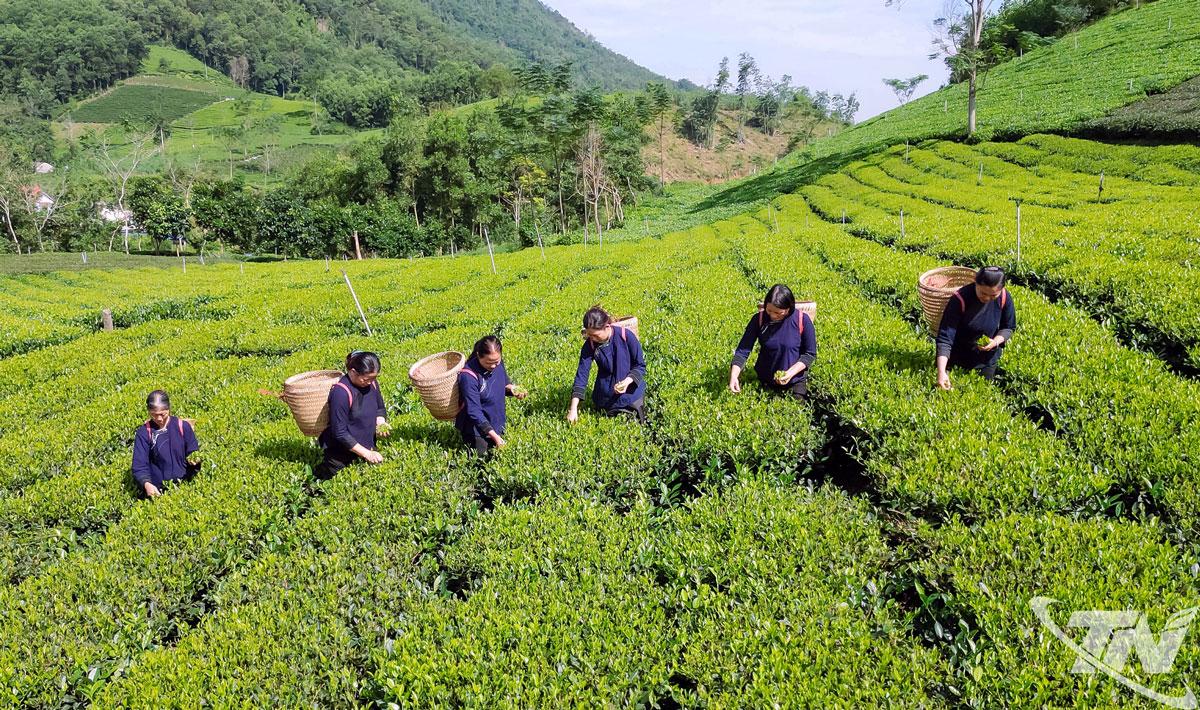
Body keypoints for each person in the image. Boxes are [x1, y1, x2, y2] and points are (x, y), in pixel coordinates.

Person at [729, 284, 817, 400]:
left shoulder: (802, 320)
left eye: (778, 313)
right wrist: (734, 375)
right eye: (769, 310)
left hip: (795, 381)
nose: (772, 315)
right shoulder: (759, 319)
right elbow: (743, 350)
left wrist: (790, 373)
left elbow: (809, 354)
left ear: (789, 308)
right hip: (765, 380)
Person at [936, 266, 1017, 390]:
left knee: (983, 391)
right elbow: (945, 338)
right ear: (975, 283)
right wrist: (941, 372)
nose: (986, 298)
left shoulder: (1005, 297)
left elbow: (1008, 327)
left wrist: (995, 342)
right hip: (958, 357)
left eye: (993, 295)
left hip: (987, 360)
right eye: (983, 293)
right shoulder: (960, 299)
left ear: (1001, 290)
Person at [315, 351, 389, 479]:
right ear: (353, 372)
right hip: (340, 458)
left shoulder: (372, 383)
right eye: (366, 379)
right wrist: (367, 454)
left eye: (374, 378)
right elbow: (339, 432)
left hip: (366, 449)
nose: (370, 382)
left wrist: (381, 422)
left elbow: (380, 408)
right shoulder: (341, 393)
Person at [568, 305, 647, 424]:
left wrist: (626, 382)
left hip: (631, 392)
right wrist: (573, 409)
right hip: (605, 395)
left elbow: (640, 365)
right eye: (590, 335)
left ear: (607, 327)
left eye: (596, 335)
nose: (592, 338)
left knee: (634, 420)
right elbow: (582, 375)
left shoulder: (626, 336)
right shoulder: (590, 345)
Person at [456, 335, 528, 457]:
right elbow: (474, 411)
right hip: (477, 430)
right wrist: (494, 436)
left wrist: (513, 390)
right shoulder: (468, 376)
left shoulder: (497, 363)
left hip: (496, 421)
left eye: (497, 361)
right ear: (479, 355)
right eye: (489, 362)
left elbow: (503, 384)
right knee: (482, 462)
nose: (494, 366)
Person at [132, 390, 200, 498]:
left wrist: (196, 461)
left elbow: (194, 452)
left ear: (168, 409)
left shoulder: (183, 427)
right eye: (154, 415)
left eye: (162, 414)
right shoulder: (144, 432)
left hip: (184, 489)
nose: (159, 419)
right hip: (158, 491)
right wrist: (146, 484)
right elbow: (139, 466)